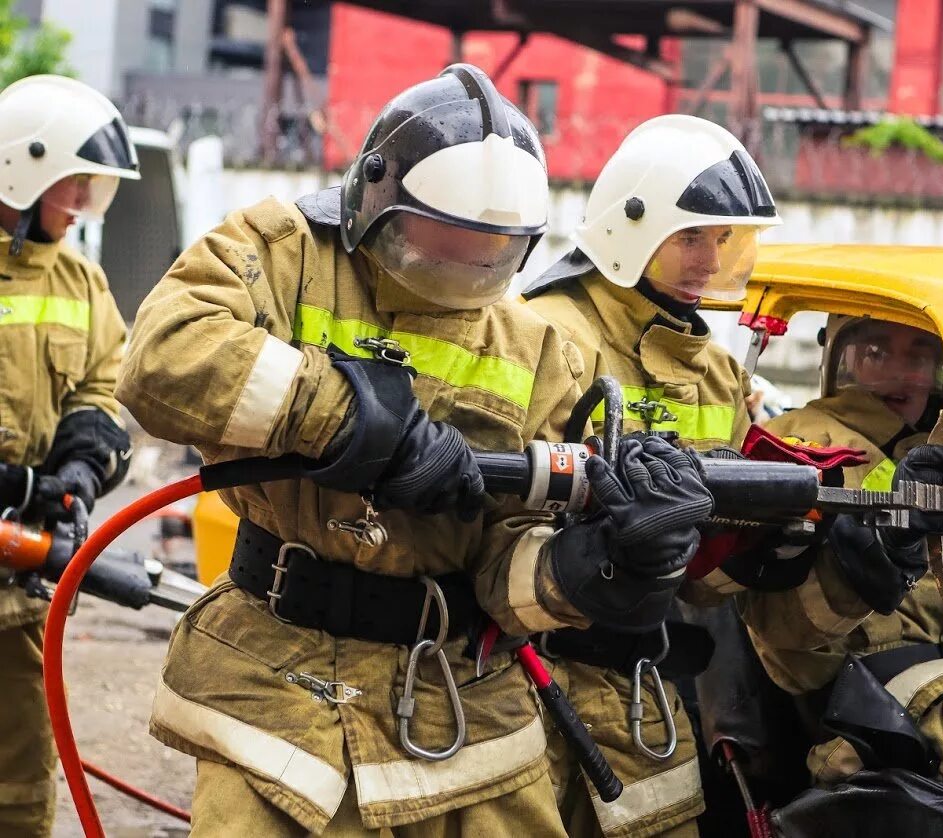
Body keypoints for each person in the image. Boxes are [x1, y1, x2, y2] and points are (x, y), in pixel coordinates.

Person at [117, 65, 712, 835]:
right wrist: (349, 419)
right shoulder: (287, 251)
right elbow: (163, 357)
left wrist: (600, 566)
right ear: (378, 198)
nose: (471, 256)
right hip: (277, 683)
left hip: (465, 704)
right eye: (447, 232)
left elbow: (509, 575)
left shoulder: (539, 351)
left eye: (497, 244)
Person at [522, 116, 943, 836]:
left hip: (651, 693)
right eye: (692, 235)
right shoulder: (545, 334)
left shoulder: (717, 375)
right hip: (529, 683)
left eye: (724, 240)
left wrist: (843, 571)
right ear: (628, 226)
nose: (709, 258)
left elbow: (711, 584)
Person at [744, 315, 943, 791]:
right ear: (841, 357)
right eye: (876, 353)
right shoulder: (798, 444)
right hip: (873, 704)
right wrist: (882, 548)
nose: (899, 373)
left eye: (918, 356)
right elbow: (782, 640)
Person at [0, 74, 140, 836]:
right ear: (22, 173)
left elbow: (101, 383)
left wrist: (81, 469)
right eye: (73, 183)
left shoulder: (82, 282)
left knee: (20, 782)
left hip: (17, 580)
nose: (84, 200)